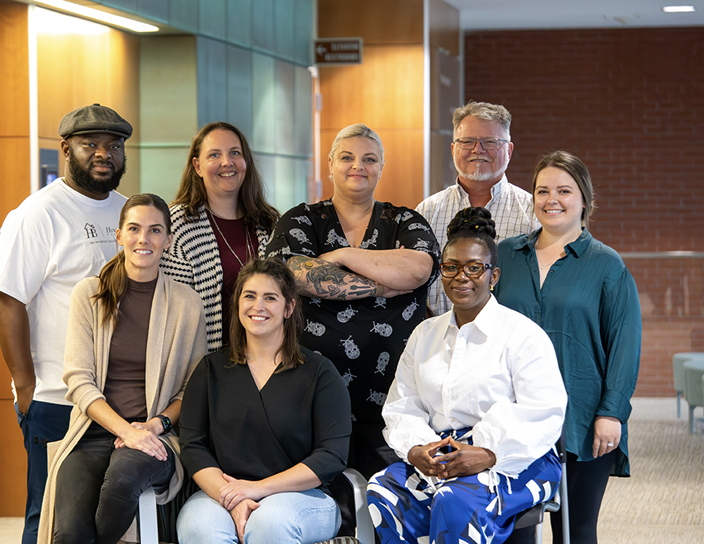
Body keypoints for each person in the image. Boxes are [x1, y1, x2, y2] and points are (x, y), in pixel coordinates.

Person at [367, 208, 567, 544]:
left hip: (517, 453)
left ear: (494, 275)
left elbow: (543, 412)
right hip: (441, 452)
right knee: (382, 491)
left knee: (455, 499)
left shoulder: (522, 335)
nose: (462, 276)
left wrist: (487, 452)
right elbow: (403, 404)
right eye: (451, 267)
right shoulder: (424, 334)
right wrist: (417, 448)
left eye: (475, 267)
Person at [265, 123, 439, 479]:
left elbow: (419, 268)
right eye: (347, 157)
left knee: (386, 504)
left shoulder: (404, 220)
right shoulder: (301, 219)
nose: (357, 166)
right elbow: (295, 274)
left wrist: (342, 255)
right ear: (330, 164)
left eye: (369, 159)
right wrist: (378, 285)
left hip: (392, 398)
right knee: (320, 501)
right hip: (311, 394)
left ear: (380, 168)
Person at [0, 104, 130, 544]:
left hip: (121, 401)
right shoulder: (38, 214)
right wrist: (26, 387)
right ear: (66, 150)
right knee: (49, 515)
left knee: (102, 522)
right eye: (90, 144)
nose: (103, 154)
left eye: (113, 145)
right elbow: (7, 299)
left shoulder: (130, 214)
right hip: (58, 397)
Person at [37, 194, 208, 544]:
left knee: (122, 482)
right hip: (92, 433)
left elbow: (193, 387)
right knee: (69, 532)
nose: (143, 239)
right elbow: (79, 381)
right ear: (119, 235)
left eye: (155, 230)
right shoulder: (89, 295)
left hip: (155, 437)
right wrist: (124, 430)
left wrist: (154, 426)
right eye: (134, 228)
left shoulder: (186, 303)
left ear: (168, 240)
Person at [494, 151, 641, 544]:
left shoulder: (606, 264)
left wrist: (612, 413)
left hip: (582, 416)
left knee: (575, 531)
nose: (551, 199)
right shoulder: (505, 255)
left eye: (564, 190)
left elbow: (625, 346)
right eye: (542, 190)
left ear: (584, 200)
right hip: (511, 415)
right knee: (514, 530)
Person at [177, 258, 351, 544]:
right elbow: (193, 445)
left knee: (270, 525)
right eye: (249, 296)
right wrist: (231, 496)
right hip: (222, 491)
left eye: (270, 298)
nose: (258, 306)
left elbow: (331, 456)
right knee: (200, 529)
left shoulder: (319, 372)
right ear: (237, 304)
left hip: (300, 497)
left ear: (289, 308)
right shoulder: (211, 369)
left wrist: (256, 489)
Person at [162, 122, 280, 352]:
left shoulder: (269, 222)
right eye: (214, 154)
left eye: (235, 153)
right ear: (197, 166)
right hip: (206, 364)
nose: (227, 162)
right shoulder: (177, 225)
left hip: (268, 361)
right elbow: (173, 313)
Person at [416, 101, 539, 316]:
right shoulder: (426, 212)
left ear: (509, 150)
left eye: (490, 142)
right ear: (454, 149)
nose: (477, 150)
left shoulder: (533, 213)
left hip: (508, 344)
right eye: (467, 142)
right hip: (438, 341)